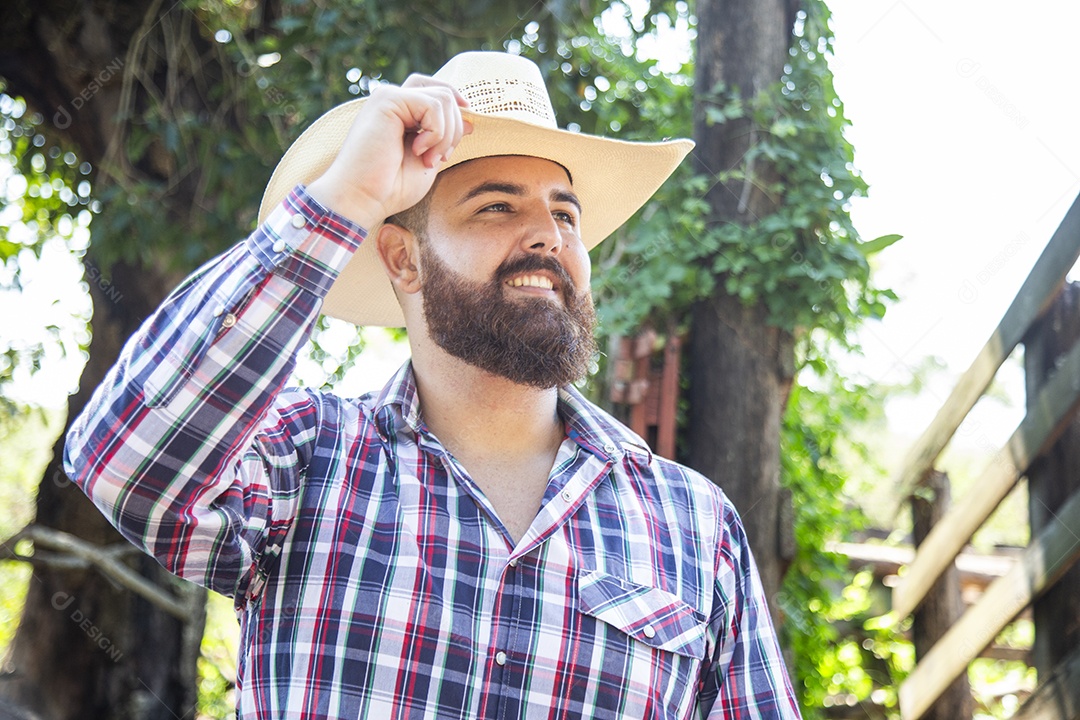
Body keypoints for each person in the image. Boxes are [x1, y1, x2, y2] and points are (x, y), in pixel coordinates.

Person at [65, 51, 801, 719]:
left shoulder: (696, 526)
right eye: (498, 206)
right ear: (402, 259)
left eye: (565, 212)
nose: (549, 233)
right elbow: (119, 458)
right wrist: (349, 195)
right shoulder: (303, 457)